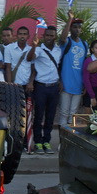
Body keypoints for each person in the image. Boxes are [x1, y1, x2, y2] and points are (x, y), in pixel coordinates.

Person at [27, 25, 61, 154]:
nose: (49, 38)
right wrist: (34, 46)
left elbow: (58, 66)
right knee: (39, 116)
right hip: (41, 87)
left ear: (55, 37)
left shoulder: (58, 50)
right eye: (47, 35)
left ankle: (47, 141)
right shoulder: (39, 50)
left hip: (54, 87)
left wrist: (60, 81)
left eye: (52, 35)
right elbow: (29, 58)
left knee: (50, 116)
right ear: (43, 36)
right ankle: (38, 142)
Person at [57, 14, 88, 124]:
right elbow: (62, 38)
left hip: (78, 85)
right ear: (70, 29)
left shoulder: (84, 44)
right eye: (74, 27)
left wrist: (85, 84)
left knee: (73, 114)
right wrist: (70, 19)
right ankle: (62, 135)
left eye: (79, 27)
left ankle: (70, 134)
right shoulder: (67, 42)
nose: (77, 29)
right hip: (65, 84)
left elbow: (85, 65)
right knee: (64, 113)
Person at [82, 40, 97, 109]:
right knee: (89, 112)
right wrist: (92, 96)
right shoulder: (88, 61)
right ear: (92, 49)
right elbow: (86, 79)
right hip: (91, 89)